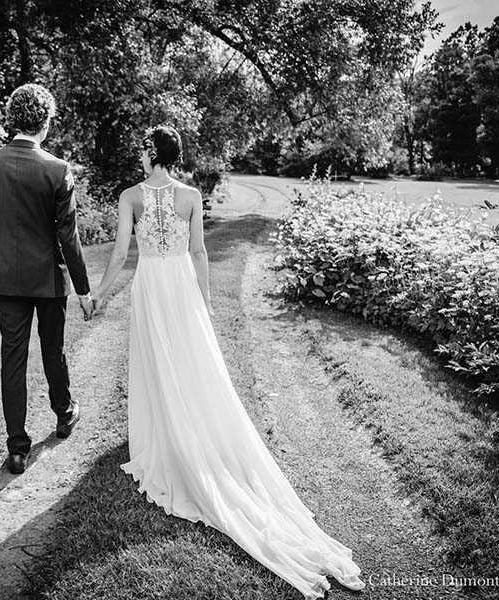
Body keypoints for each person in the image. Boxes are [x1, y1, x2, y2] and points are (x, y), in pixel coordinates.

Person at [89, 125, 366, 600]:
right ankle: (183, 427)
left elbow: (120, 253)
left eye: (141, 149)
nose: (139, 155)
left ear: (151, 153)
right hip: (180, 284)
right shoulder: (191, 194)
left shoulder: (130, 196)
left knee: (160, 359)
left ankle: (166, 436)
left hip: (153, 285)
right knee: (190, 363)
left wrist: (97, 295)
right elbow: (197, 251)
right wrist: (204, 302)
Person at [0, 83, 93, 476]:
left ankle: (17, 449)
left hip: (5, 278)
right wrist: (83, 287)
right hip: (48, 280)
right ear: (45, 122)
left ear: (12, 119)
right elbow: (67, 234)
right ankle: (63, 414)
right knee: (53, 348)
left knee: (13, 358)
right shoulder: (57, 169)